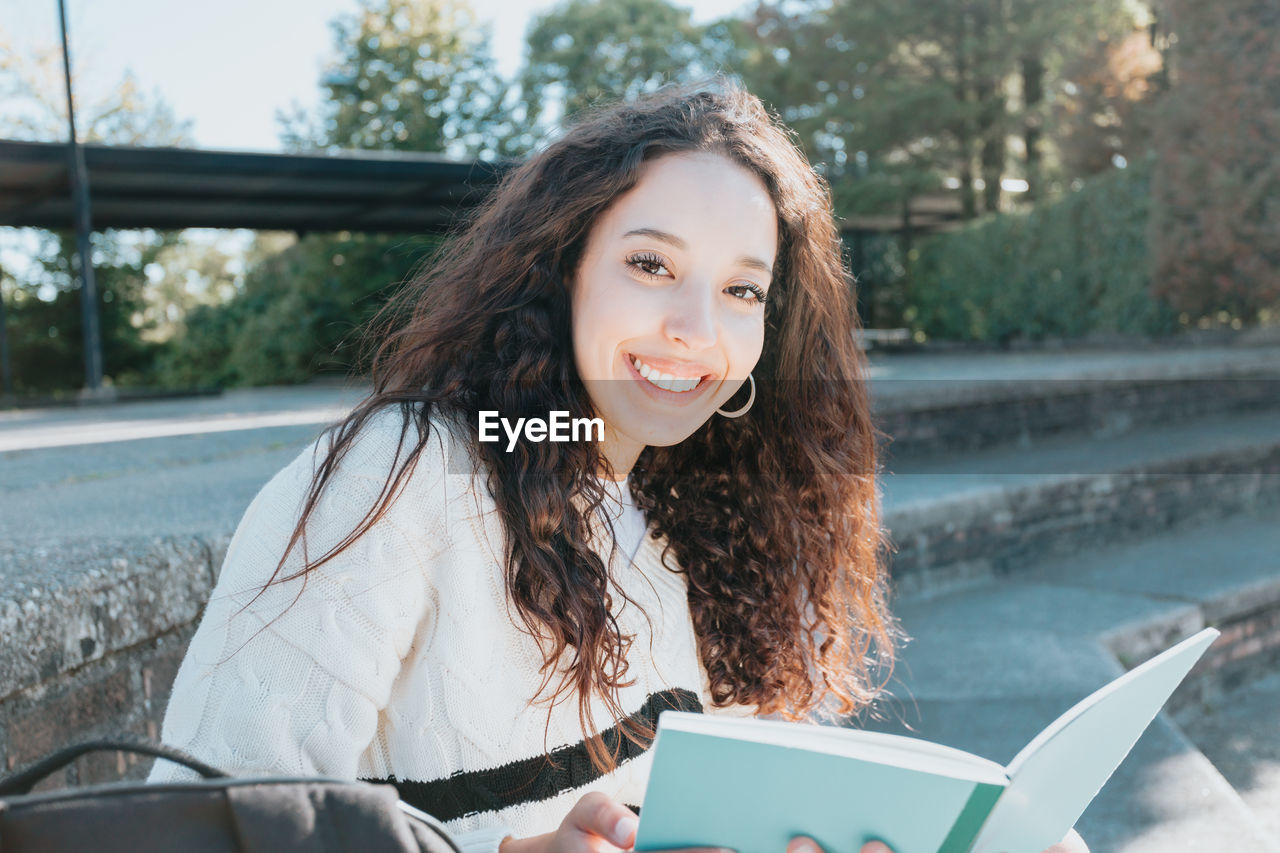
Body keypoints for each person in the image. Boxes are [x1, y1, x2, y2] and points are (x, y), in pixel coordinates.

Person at [148, 78, 1087, 853]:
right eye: (650, 265)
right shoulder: (407, 474)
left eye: (741, 290)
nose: (696, 328)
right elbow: (205, 831)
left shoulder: (694, 520)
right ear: (562, 270)